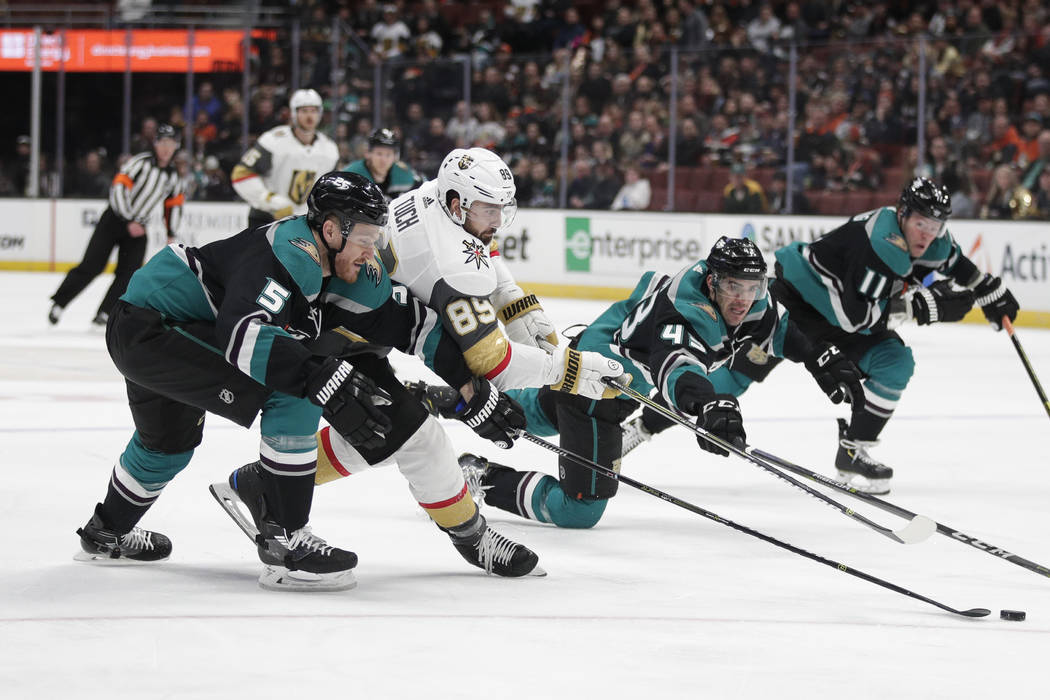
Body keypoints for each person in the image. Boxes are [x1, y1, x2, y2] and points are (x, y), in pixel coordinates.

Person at [448, 237, 864, 529]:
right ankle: (482, 477)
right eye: (734, 287)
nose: (743, 299)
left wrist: (820, 357)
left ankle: (453, 400)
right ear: (713, 282)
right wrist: (707, 406)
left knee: (535, 414)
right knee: (580, 511)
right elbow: (676, 365)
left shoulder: (751, 299)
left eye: (753, 288)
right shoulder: (685, 309)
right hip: (599, 389)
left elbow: (779, 327)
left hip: (596, 360)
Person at [315, 147, 629, 491]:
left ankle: (276, 479)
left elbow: (479, 241)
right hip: (338, 338)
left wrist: (510, 296)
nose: (496, 220)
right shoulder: (453, 264)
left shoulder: (437, 193)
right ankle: (278, 481)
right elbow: (493, 364)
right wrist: (572, 371)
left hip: (353, 314)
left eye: (501, 207)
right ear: (457, 203)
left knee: (397, 429)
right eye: (488, 208)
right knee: (383, 430)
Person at [773, 177, 1019, 493]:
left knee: (895, 362)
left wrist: (986, 289)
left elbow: (954, 262)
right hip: (796, 303)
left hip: (842, 316)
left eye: (936, 225)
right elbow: (856, 318)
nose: (928, 234)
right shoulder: (881, 244)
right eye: (921, 223)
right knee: (731, 376)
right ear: (902, 213)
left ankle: (853, 450)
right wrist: (922, 307)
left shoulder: (933, 240)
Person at [49, 124, 184, 328]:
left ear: (176, 146)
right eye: (163, 142)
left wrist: (170, 233)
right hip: (114, 220)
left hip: (138, 229)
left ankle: (105, 312)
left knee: (129, 273)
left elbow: (173, 206)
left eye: (171, 143)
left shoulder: (173, 176)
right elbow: (118, 188)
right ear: (155, 144)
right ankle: (59, 303)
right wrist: (129, 219)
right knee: (92, 265)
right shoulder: (140, 163)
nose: (166, 148)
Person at [232, 88, 339, 231]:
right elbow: (241, 174)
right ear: (294, 113)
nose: (309, 116)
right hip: (266, 218)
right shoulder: (273, 141)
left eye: (313, 111)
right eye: (304, 111)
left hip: (303, 224)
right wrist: (270, 200)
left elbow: (330, 191)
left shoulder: (330, 149)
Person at [342, 127, 424, 201]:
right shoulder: (351, 174)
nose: (383, 160)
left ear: (395, 157)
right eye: (379, 154)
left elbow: (424, 188)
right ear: (368, 153)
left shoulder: (405, 173)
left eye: (388, 155)